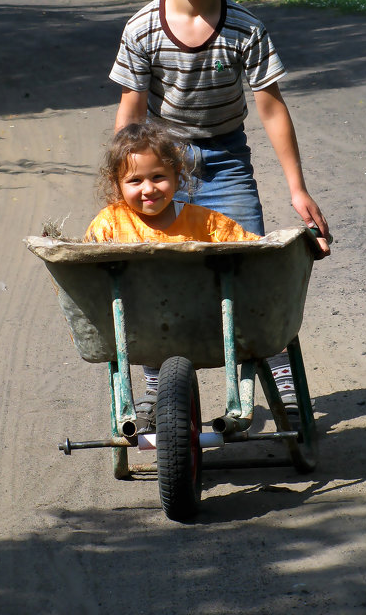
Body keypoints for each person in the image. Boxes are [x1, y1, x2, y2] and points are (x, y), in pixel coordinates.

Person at [107, 0, 331, 425]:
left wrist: (296, 190)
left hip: (227, 158)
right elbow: (131, 111)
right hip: (162, 162)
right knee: (153, 272)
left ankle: (272, 377)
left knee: (250, 267)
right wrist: (128, 184)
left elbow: (271, 108)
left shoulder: (245, 29)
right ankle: (158, 390)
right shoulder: (142, 29)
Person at [85, 122, 262, 431]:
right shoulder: (109, 223)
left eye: (158, 177)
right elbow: (85, 263)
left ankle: (175, 394)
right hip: (139, 325)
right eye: (135, 180)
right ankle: (154, 388)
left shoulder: (205, 221)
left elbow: (253, 249)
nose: (148, 189)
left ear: (178, 176)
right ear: (117, 184)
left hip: (204, 322)